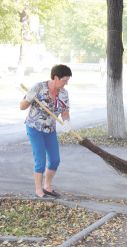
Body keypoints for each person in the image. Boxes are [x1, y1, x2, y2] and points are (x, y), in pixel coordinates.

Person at [20, 64, 72, 198]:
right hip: (35, 128)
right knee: (40, 160)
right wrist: (28, 98)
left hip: (50, 129)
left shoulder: (64, 94)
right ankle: (39, 190)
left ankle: (47, 186)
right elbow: (22, 106)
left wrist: (67, 122)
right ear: (56, 77)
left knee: (55, 159)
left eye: (67, 80)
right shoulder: (38, 87)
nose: (66, 83)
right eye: (64, 80)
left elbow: (65, 111)